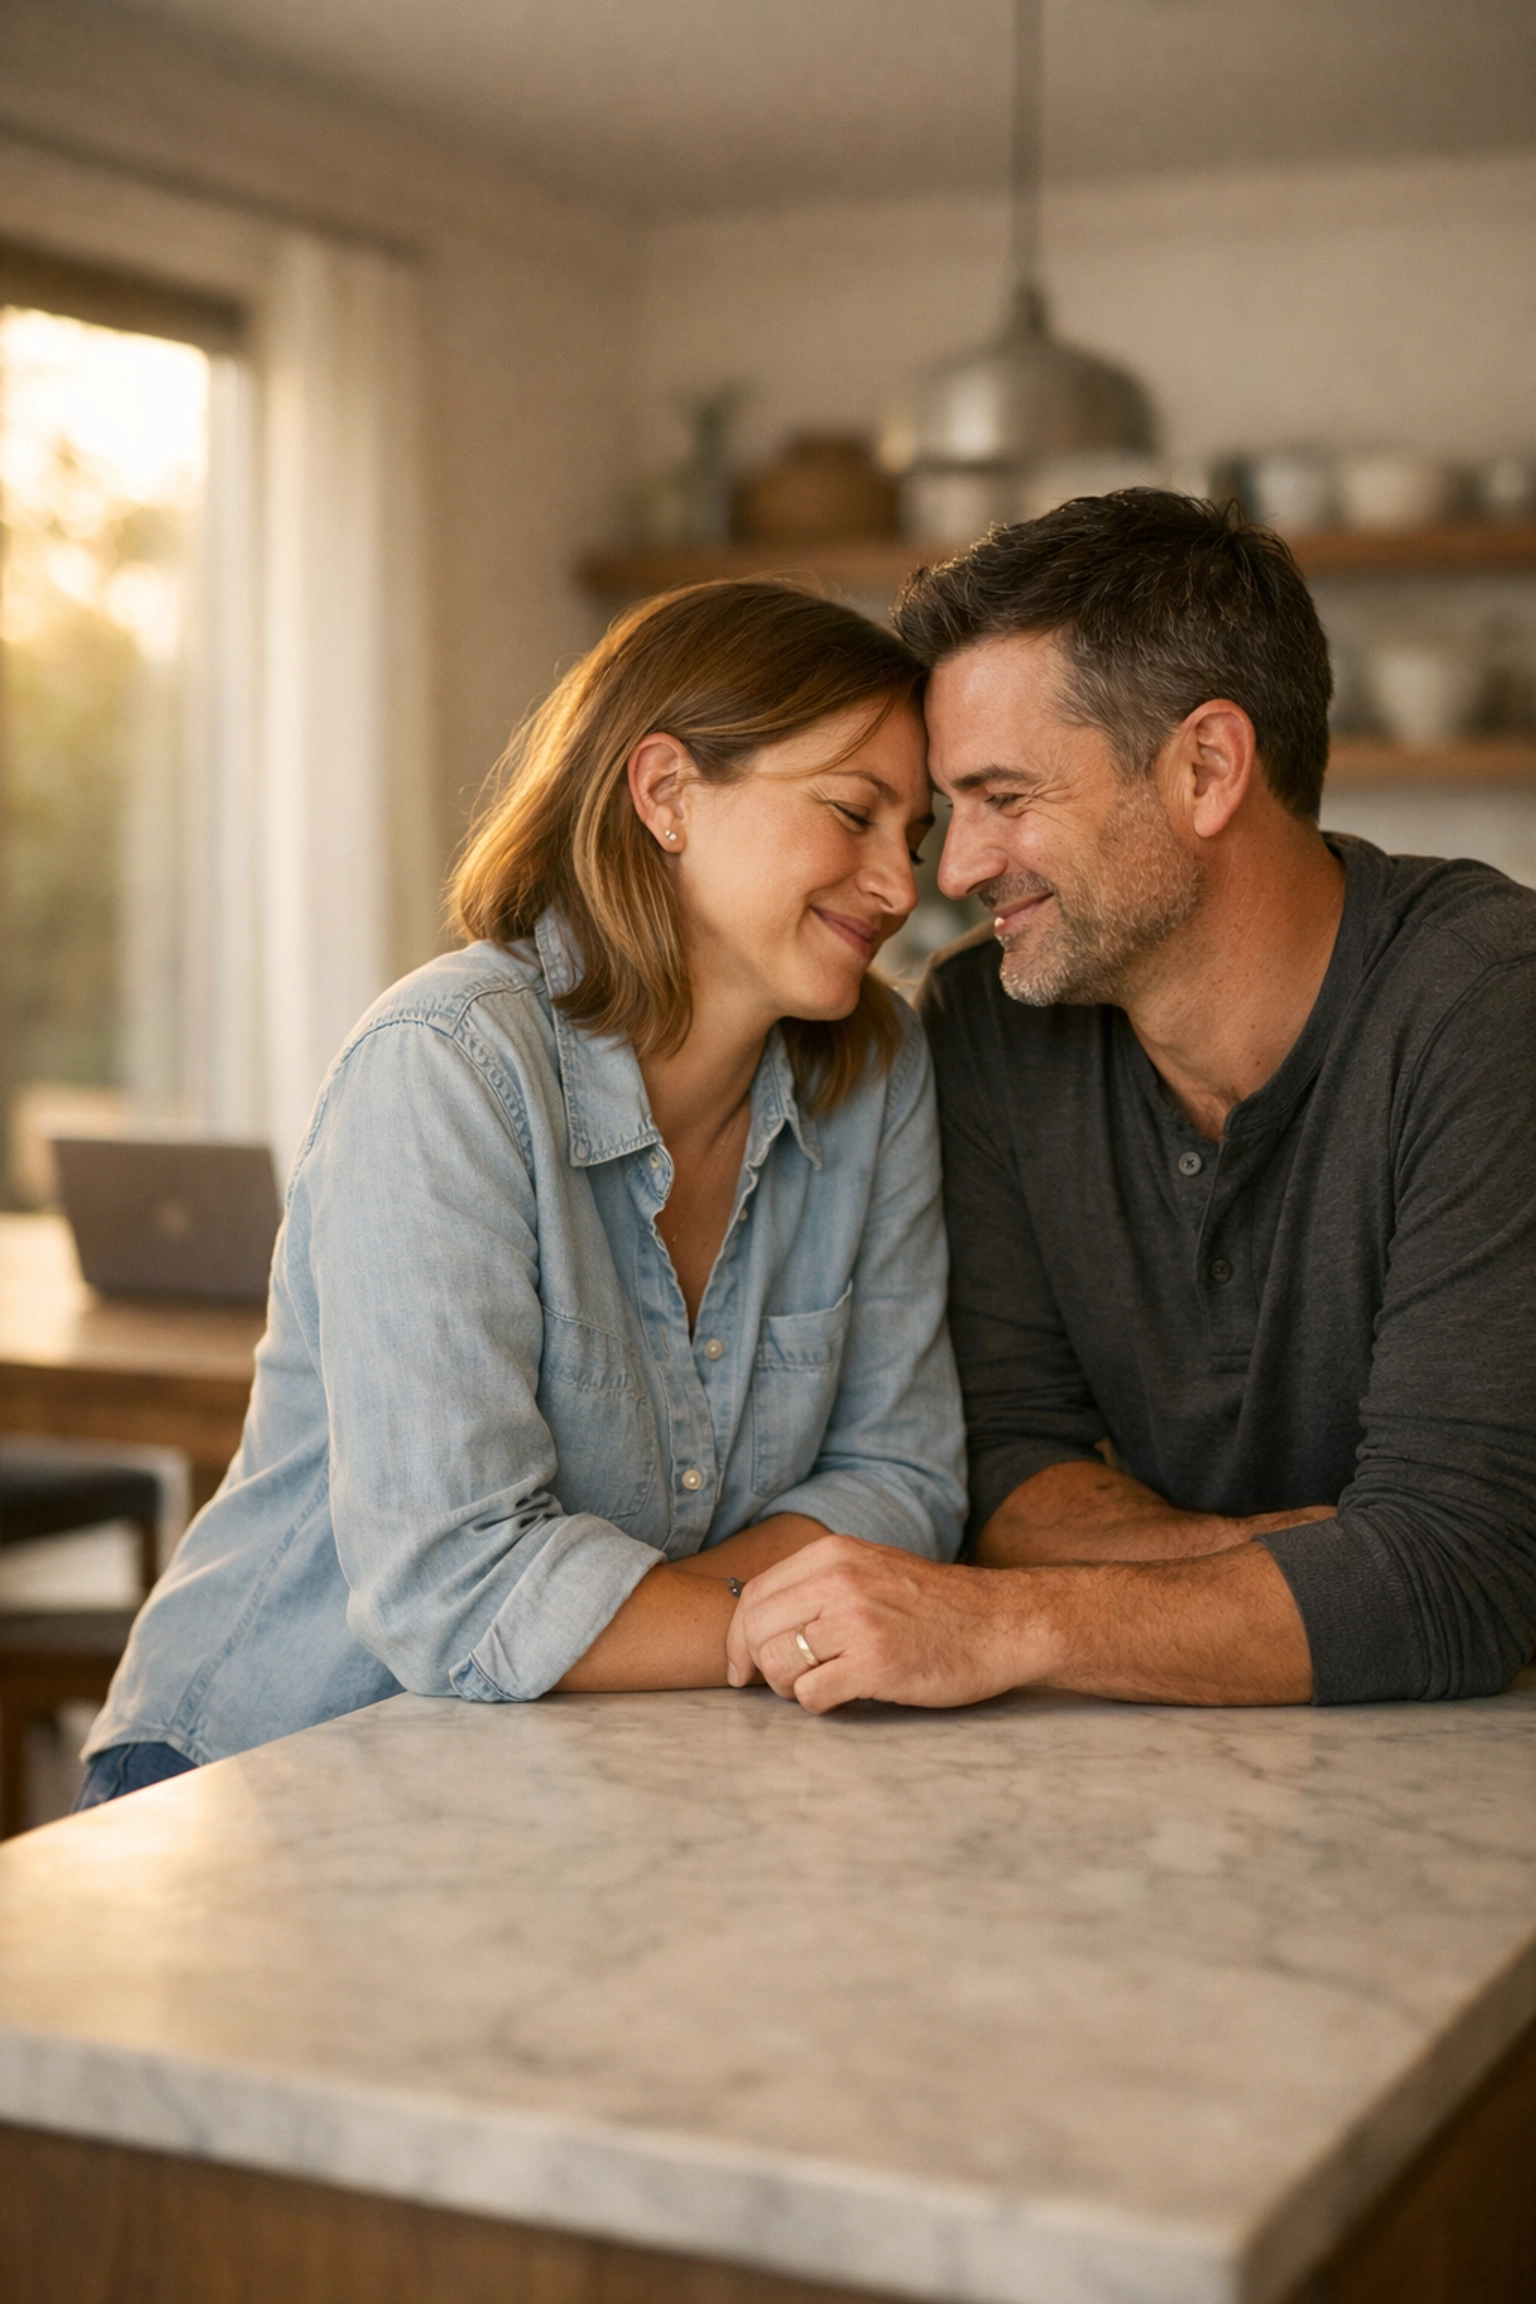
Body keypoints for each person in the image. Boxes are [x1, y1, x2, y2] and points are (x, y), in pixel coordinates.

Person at [77, 580, 965, 1804]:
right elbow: (456, 1584)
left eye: (911, 837)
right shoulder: (446, 1064)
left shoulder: (878, 1072)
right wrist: (773, 1626)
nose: (901, 887)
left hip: (589, 1775)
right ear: (667, 793)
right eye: (854, 813)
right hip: (259, 1774)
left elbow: (905, 1480)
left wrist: (651, 1625)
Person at [729, 491, 1536, 1713]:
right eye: (955, 811)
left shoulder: (1488, 1004)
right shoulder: (988, 1021)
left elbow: (1457, 1579)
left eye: (1007, 798)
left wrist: (1001, 1625)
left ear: (1206, 769)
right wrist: (1343, 1567)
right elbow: (1008, 1475)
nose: (955, 869)